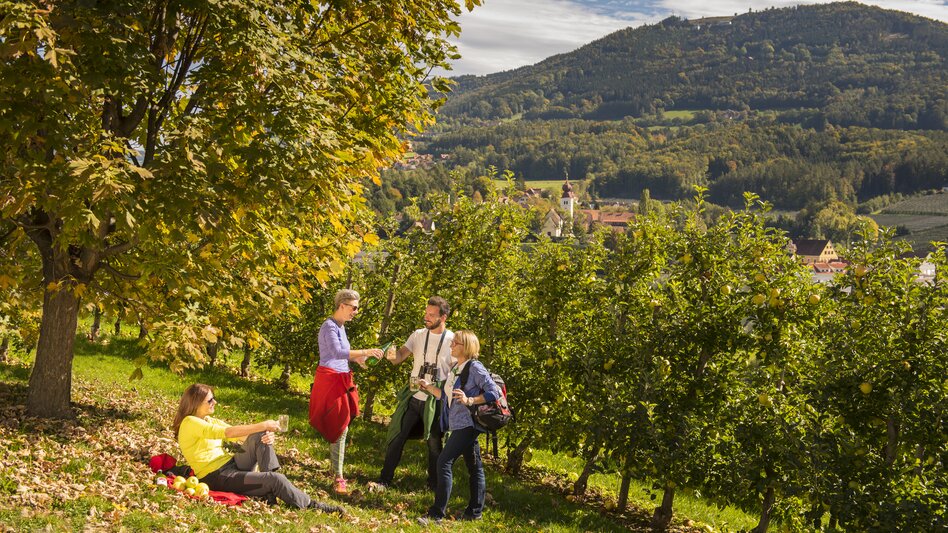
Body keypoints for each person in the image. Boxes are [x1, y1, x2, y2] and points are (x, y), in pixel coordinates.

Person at [172, 383, 343, 513]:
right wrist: (263, 425)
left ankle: (269, 494)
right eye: (210, 400)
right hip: (216, 476)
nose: (214, 402)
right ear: (196, 403)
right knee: (277, 480)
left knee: (259, 436)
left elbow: (242, 436)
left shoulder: (208, 420)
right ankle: (312, 505)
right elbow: (227, 432)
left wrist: (265, 435)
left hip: (230, 465)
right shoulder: (190, 422)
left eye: (213, 398)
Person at [417, 330, 501, 524]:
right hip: (458, 423)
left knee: (443, 462)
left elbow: (494, 392)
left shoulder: (474, 367)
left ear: (467, 347)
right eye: (452, 342)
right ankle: (475, 512)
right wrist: (428, 387)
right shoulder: (456, 367)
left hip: (468, 424)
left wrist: (470, 400)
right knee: (474, 466)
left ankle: (436, 514)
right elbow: (446, 396)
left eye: (455, 343)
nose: (451, 345)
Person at [374, 296, 454, 491]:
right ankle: (384, 480)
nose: (426, 317)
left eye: (431, 315)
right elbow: (399, 357)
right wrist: (389, 352)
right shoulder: (418, 335)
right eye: (426, 313)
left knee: (434, 444)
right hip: (414, 396)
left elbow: (456, 372)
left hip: (435, 400)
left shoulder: (453, 340)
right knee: (397, 436)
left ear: (443, 317)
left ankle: (433, 486)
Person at [309, 288, 381, 495]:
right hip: (330, 381)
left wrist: (359, 359)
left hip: (342, 379)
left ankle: (336, 470)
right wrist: (365, 351)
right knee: (341, 428)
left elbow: (343, 354)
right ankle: (338, 476)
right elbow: (336, 352)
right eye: (354, 308)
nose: (356, 312)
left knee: (341, 426)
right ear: (342, 305)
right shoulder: (329, 326)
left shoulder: (340, 326)